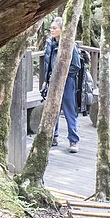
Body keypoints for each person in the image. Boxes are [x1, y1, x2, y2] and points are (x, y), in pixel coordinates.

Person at [39, 17, 82, 153]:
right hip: (52, 81)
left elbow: (76, 65)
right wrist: (46, 81)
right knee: (53, 109)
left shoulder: (70, 45)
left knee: (69, 110)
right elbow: (47, 65)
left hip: (67, 82)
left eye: (54, 28)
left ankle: (73, 140)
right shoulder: (50, 44)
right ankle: (53, 136)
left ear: (62, 30)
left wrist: (62, 76)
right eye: (51, 28)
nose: (52, 30)